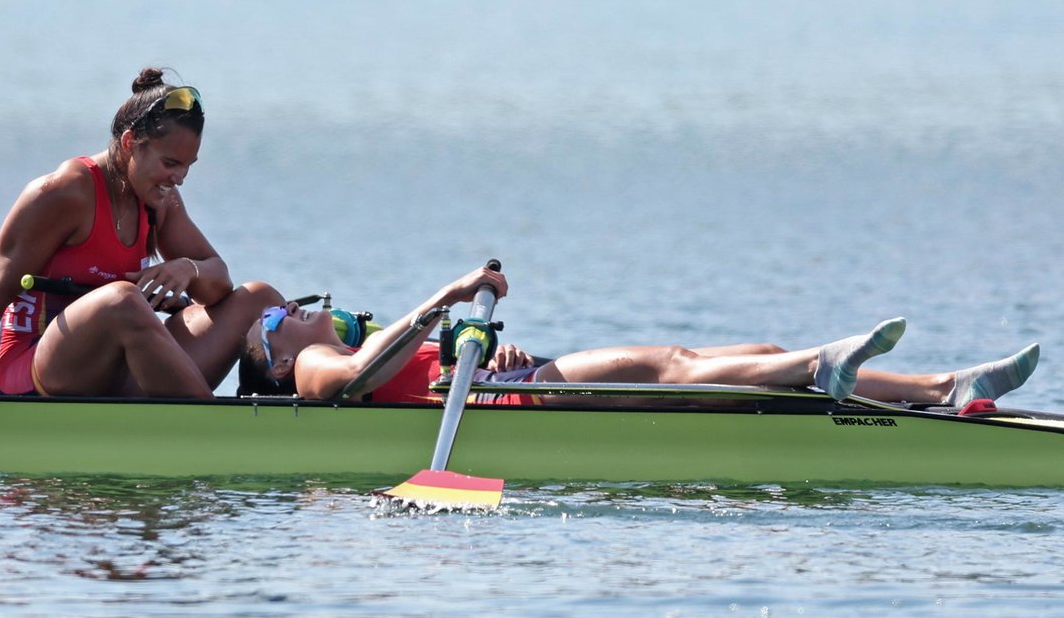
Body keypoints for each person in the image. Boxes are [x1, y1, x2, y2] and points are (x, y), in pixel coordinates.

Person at [0, 68, 283, 412]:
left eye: (188, 166)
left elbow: (219, 284)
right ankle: (218, 431)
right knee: (120, 301)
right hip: (35, 367)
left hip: (118, 367)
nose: (180, 178)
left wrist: (186, 270)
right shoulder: (64, 193)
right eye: (170, 163)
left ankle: (296, 410)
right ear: (130, 143)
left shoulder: (160, 199)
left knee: (259, 299)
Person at [235, 265, 1041, 407]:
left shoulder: (335, 343)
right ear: (269, 354)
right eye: (281, 316)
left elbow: (407, 367)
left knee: (751, 354)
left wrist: (486, 347)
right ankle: (821, 366)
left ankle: (944, 389)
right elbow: (359, 386)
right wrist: (440, 301)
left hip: (515, 384)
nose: (305, 314)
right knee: (672, 370)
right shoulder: (307, 366)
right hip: (511, 408)